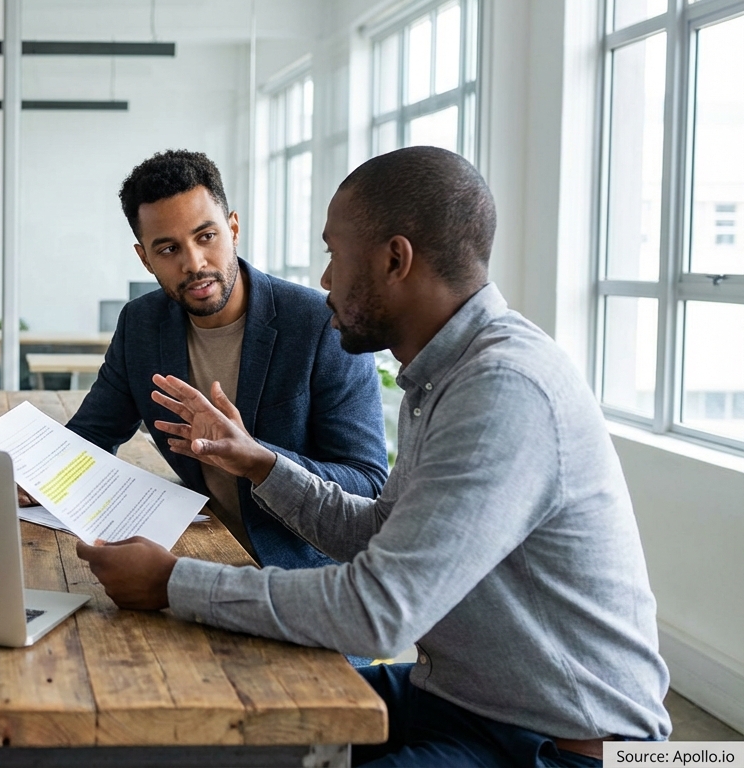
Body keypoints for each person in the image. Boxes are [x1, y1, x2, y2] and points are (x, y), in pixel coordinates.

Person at [76, 146, 672, 766]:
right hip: (458, 697)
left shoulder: (503, 387)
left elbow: (380, 612)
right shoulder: (443, 375)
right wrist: (259, 462)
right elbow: (381, 530)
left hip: (557, 741)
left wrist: (174, 582)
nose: (327, 278)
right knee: (213, 731)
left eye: (336, 253)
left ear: (394, 259)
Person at [55, 149, 388, 573]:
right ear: (145, 258)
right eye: (169, 248)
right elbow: (90, 436)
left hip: (304, 573)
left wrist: (255, 456)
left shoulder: (319, 324)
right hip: (201, 552)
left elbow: (368, 486)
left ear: (233, 227)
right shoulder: (141, 323)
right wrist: (33, 477)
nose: (194, 263)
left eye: (206, 236)